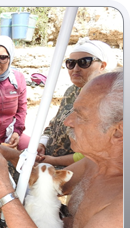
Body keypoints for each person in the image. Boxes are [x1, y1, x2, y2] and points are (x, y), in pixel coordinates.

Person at [0, 69, 123, 228]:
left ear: (119, 131)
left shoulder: (120, 209)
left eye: (81, 116)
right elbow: (48, 183)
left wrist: (3, 190)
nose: (67, 121)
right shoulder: (96, 161)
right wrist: (9, 153)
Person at [36, 37, 117, 168]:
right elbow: (54, 123)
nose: (75, 69)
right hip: (48, 158)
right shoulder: (72, 91)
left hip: (73, 169)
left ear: (102, 65)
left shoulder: (107, 100)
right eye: (71, 63)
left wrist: (52, 161)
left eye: (84, 62)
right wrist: (42, 143)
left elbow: (93, 154)